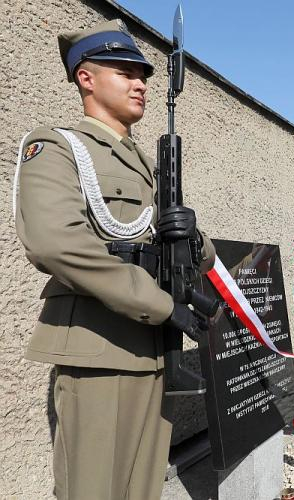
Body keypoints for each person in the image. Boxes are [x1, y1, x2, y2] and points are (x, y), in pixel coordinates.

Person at [12, 19, 215, 500]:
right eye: (124, 71)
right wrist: (163, 305)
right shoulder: (58, 147)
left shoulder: (148, 163)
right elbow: (55, 242)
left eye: (142, 74)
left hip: (156, 353)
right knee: (94, 490)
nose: (140, 83)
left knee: (142, 489)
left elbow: (188, 257)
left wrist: (192, 234)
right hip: (100, 349)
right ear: (86, 77)